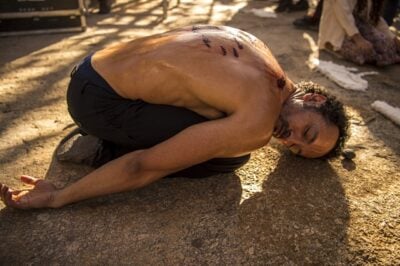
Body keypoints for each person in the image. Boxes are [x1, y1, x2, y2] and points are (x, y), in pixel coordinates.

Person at [0, 25, 348, 210]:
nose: (289, 141)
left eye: (297, 150)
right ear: (314, 99)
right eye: (309, 133)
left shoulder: (257, 47)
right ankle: (100, 148)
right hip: (96, 103)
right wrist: (60, 197)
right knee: (231, 157)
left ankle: (113, 127)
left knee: (215, 119)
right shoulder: (257, 124)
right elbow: (144, 167)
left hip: (92, 67)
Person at [318, 0, 400, 66]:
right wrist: (359, 39)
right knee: (364, 53)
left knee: (386, 44)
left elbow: (376, 19)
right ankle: (331, 47)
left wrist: (394, 38)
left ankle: (390, 56)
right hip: (339, 32)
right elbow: (343, 14)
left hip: (360, 27)